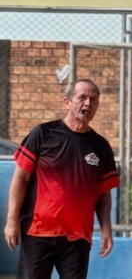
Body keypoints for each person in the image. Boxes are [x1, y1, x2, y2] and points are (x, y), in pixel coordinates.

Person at [5, 79, 118, 279]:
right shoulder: (43, 134)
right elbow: (20, 179)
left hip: (78, 237)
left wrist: (107, 229)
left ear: (98, 106)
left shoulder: (101, 146)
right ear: (67, 102)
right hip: (38, 232)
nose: (87, 104)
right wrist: (12, 220)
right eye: (81, 98)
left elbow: (103, 196)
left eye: (93, 99)